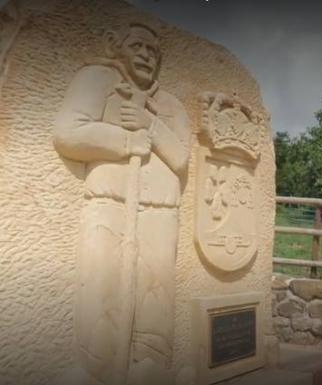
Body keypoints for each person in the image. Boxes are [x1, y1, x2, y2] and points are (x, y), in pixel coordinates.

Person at [54, 22, 191, 385]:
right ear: (118, 46)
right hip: (109, 204)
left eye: (152, 51)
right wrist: (125, 141)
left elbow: (180, 159)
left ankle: (150, 369)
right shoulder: (97, 79)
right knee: (101, 292)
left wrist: (150, 125)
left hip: (161, 212)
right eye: (137, 46)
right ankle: (96, 370)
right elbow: (67, 132)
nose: (146, 55)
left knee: (155, 299)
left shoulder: (171, 105)